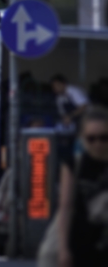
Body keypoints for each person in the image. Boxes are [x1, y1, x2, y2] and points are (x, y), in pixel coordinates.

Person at [58, 105, 108, 267]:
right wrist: (63, 249)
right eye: (91, 138)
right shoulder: (74, 165)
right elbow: (65, 207)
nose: (98, 144)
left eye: (103, 137)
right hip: (81, 248)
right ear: (82, 138)